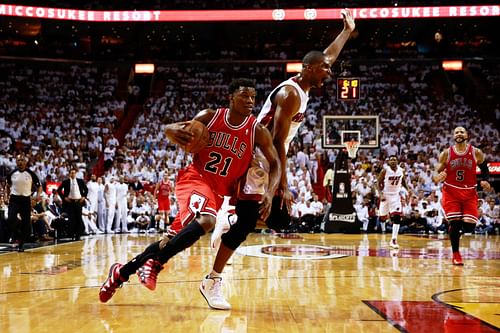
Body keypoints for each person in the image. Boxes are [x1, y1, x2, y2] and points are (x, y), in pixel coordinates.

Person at [203, 9, 355, 310]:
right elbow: (273, 143)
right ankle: (214, 274)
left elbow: (328, 55)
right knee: (255, 218)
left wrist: (347, 31)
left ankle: (229, 221)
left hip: (266, 156)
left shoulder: (305, 83)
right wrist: (280, 184)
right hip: (259, 157)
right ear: (310, 68)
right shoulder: (291, 95)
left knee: (276, 218)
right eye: (325, 69)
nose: (330, 72)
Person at [99, 78, 281, 308]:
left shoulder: (257, 131)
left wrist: (270, 190)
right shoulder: (209, 117)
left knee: (171, 239)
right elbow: (176, 130)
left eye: (253, 97)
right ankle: (156, 263)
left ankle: (121, 272)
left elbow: (275, 163)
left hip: (217, 192)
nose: (250, 101)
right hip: (195, 178)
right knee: (207, 221)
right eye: (244, 96)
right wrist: (168, 129)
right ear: (231, 97)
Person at [432, 126, 491, 265]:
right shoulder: (446, 153)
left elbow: (484, 167)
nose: (459, 133)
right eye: (456, 132)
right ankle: (456, 254)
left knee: (470, 226)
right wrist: (437, 177)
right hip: (451, 191)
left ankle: (454, 231)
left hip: (470, 192)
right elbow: (435, 172)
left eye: (462, 132)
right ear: (453, 136)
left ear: (467, 135)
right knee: (455, 222)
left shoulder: (476, 152)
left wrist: (485, 179)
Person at [6, 154, 42, 251]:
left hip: (26, 200)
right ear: (16, 162)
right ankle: (18, 235)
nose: (20, 162)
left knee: (26, 224)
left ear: (25, 162)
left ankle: (21, 244)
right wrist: (7, 196)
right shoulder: (12, 173)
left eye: (22, 160)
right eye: (18, 160)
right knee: (10, 219)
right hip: (14, 199)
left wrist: (37, 196)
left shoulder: (31, 173)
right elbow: (7, 185)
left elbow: (39, 186)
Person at [377, 155, 409, 249]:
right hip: (386, 195)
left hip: (395, 195)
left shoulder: (401, 170)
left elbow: (403, 181)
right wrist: (381, 194)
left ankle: (393, 239)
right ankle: (386, 217)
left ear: (397, 161)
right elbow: (378, 183)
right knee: (382, 217)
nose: (393, 161)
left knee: (397, 216)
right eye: (391, 160)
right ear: (388, 162)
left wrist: (408, 189)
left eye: (394, 160)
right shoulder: (385, 171)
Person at [57, 167, 88, 241]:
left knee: (79, 218)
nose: (73, 174)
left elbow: (86, 189)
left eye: (74, 173)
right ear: (69, 174)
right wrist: (64, 197)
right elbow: (59, 190)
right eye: (71, 173)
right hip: (70, 202)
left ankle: (78, 235)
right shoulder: (66, 182)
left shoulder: (80, 181)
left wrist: (83, 197)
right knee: (72, 219)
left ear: (76, 173)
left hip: (78, 202)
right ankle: (72, 234)